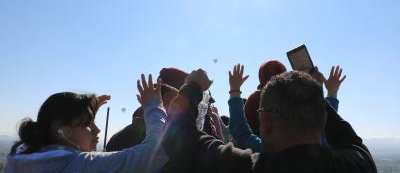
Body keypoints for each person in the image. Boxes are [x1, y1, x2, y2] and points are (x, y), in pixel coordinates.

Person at [161, 65, 377, 173]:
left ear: (267, 122)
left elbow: (177, 136)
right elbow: (349, 140)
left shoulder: (243, 167)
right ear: (323, 121)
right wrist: (312, 92)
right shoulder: (357, 164)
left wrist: (193, 87)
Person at [5, 74, 169, 173]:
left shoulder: (17, 160)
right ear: (59, 129)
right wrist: (154, 106)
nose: (97, 130)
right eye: (88, 123)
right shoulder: (80, 166)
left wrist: (85, 115)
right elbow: (154, 153)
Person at [229, 64, 345, 152]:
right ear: (321, 120)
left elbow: (241, 133)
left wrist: (235, 90)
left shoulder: (266, 152)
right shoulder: (328, 153)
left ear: (265, 124)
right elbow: (329, 124)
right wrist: (325, 92)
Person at [106, 83, 179, 151]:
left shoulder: (118, 137)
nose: (181, 110)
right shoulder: (164, 141)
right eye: (176, 104)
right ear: (158, 104)